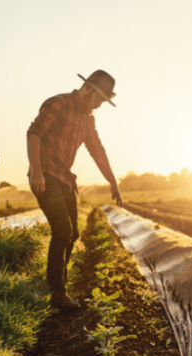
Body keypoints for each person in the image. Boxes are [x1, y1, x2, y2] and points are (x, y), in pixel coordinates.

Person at [27, 70, 123, 312]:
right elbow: (34, 134)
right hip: (46, 174)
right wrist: (36, 172)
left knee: (74, 234)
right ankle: (56, 293)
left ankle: (59, 284)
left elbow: (97, 151)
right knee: (62, 229)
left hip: (65, 179)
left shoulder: (88, 120)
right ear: (88, 88)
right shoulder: (58, 104)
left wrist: (113, 182)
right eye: (100, 99)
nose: (100, 106)